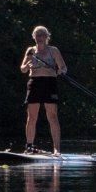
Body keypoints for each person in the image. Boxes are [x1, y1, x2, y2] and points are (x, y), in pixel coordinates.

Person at [20, 26, 68, 154]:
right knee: (31, 117)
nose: (40, 37)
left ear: (47, 37)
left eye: (42, 35)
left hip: (49, 83)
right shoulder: (30, 51)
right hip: (34, 83)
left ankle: (56, 149)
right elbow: (23, 69)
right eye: (37, 35)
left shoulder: (53, 51)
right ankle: (29, 146)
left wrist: (60, 71)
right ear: (34, 37)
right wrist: (28, 65)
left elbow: (63, 68)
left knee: (52, 116)